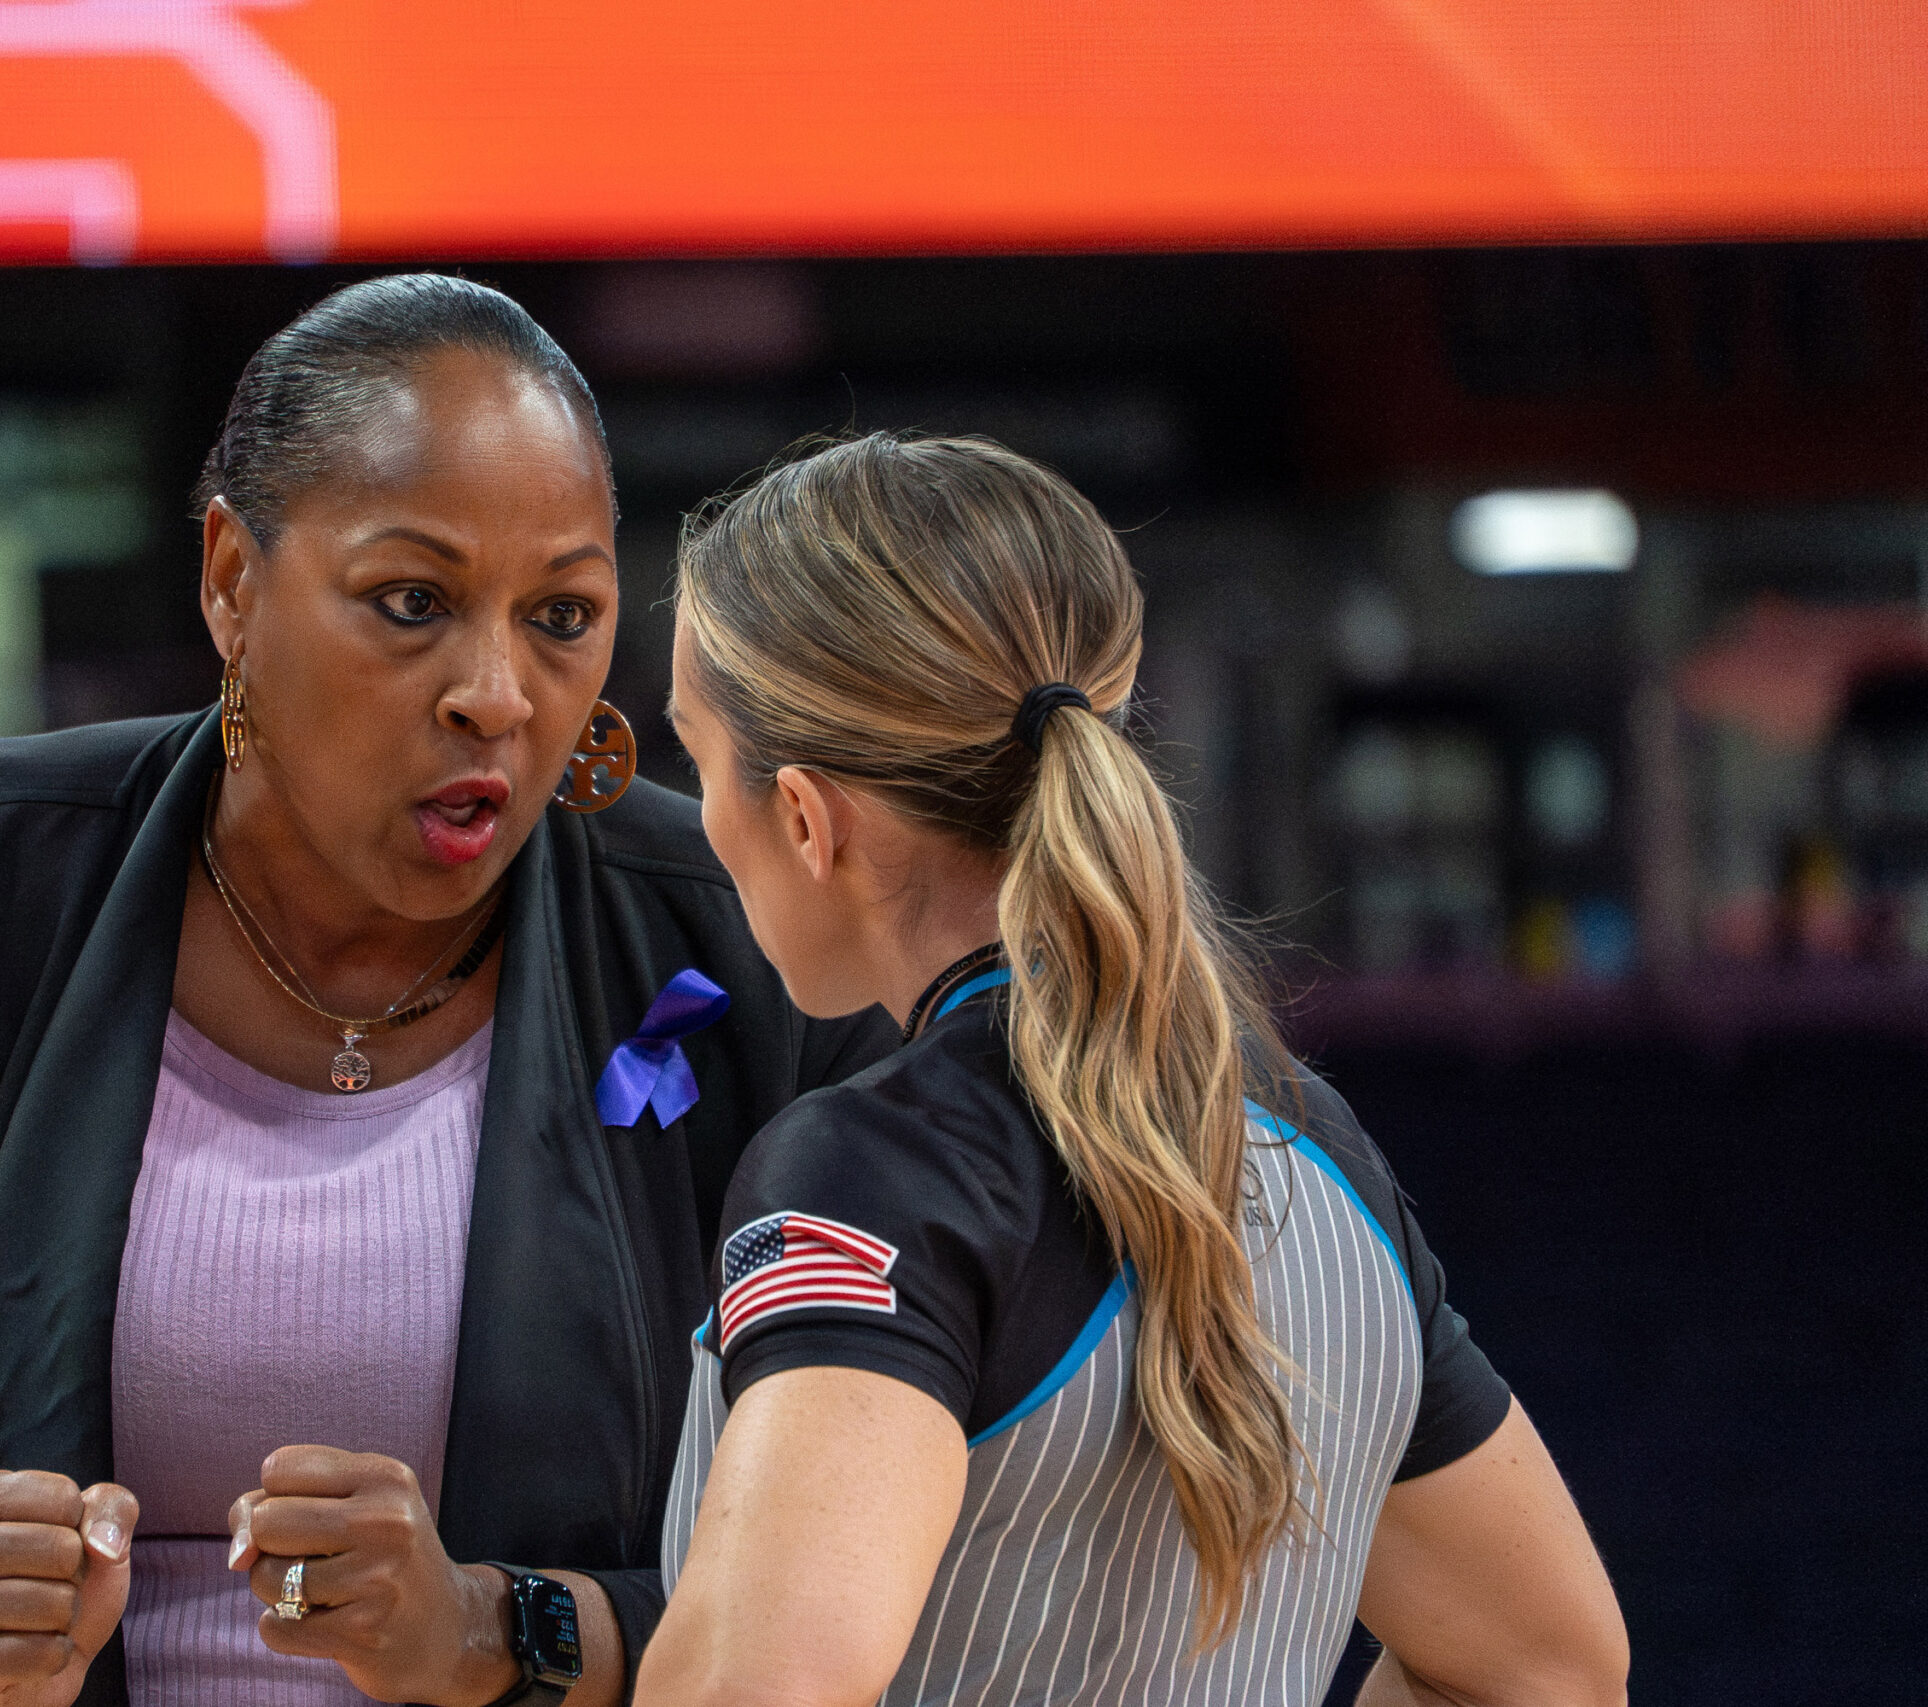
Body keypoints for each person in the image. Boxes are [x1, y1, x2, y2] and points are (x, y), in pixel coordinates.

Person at [0, 276, 895, 1707]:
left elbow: (869, 1580)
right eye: (413, 601)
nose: (495, 692)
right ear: (233, 583)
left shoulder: (749, 946)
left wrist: (499, 1629)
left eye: (561, 613)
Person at [638, 434, 1629, 1707]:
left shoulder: (868, 1171)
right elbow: (1548, 1668)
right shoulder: (1312, 1152)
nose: (697, 818)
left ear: (803, 817)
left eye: (696, 759)